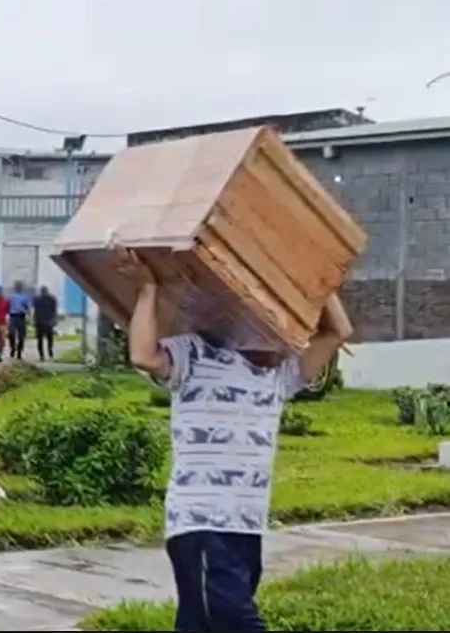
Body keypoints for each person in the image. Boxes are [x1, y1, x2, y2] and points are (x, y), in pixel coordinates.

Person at [118, 249, 351, 632]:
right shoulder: (195, 354)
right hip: (202, 521)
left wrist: (318, 279)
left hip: (246, 527)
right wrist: (148, 288)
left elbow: (338, 332)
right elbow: (144, 355)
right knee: (235, 620)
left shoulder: (279, 377)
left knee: (200, 622)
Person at [6, 281, 32, 360]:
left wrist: (29, 316)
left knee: (21, 335)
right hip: (13, 316)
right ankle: (13, 348)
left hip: (21, 316)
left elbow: (28, 307)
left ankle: (19, 352)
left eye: (19, 286)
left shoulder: (25, 297)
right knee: (11, 334)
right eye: (17, 286)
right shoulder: (11, 296)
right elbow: (7, 306)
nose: (18, 288)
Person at [33, 286, 58, 361]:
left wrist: (54, 320)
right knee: (41, 340)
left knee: (49, 339)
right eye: (42, 292)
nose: (43, 293)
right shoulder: (37, 299)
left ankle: (49, 353)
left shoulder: (52, 299)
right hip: (41, 322)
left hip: (47, 322)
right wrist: (34, 320)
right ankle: (42, 355)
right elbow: (35, 311)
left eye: (44, 291)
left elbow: (54, 310)